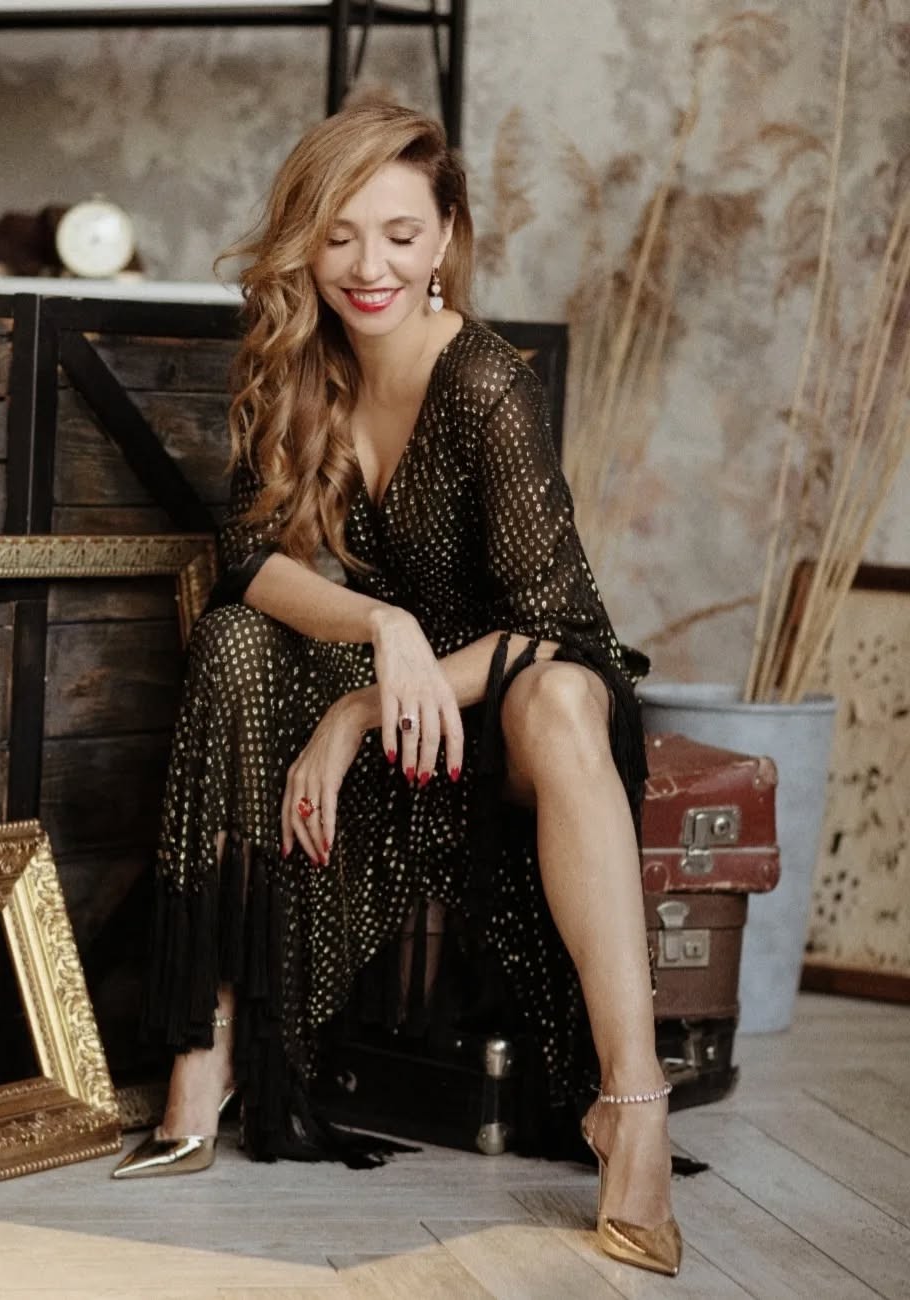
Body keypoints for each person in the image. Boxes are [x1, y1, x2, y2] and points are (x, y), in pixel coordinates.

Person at [112, 99, 682, 1278]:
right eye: (336, 236)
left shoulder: (483, 383)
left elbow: (557, 625)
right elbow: (248, 557)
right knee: (233, 638)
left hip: (519, 693)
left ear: (444, 240)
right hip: (407, 670)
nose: (367, 267)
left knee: (560, 699)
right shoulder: (297, 360)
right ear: (304, 243)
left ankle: (632, 1105)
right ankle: (202, 1058)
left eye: (398, 234)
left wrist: (360, 704)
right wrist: (382, 628)